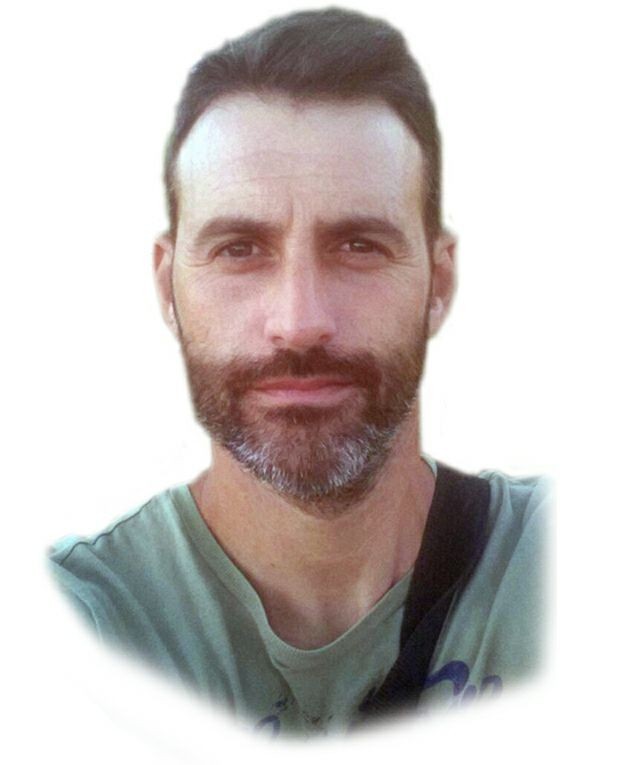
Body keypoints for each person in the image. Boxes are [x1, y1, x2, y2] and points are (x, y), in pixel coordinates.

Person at [48, 7, 547, 737]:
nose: (299, 319)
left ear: (438, 282)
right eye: (239, 248)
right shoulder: (68, 633)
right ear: (167, 288)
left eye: (358, 245)